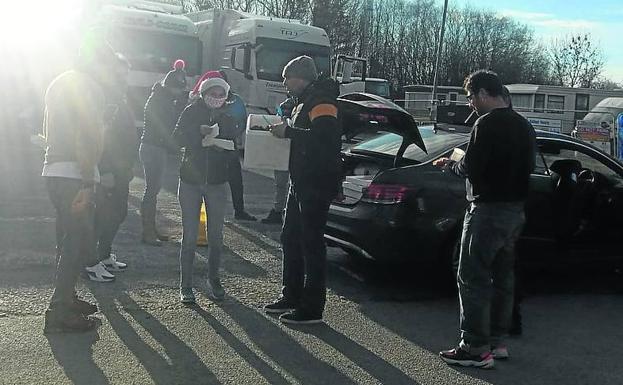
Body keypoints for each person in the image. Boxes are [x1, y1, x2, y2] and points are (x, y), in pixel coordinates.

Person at [434, 70, 536, 368]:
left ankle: (474, 347)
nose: (469, 105)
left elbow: (471, 168)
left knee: (472, 276)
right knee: (503, 277)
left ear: (481, 93)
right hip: (515, 210)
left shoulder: (486, 124)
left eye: (469, 98)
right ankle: (496, 340)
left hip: (487, 209)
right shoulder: (524, 126)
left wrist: (450, 165)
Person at [42, 34, 117, 333]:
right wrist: (88, 179)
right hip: (76, 173)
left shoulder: (58, 82)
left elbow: (49, 127)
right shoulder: (90, 87)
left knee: (66, 239)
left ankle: (68, 298)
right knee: (76, 243)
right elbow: (87, 134)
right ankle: (59, 309)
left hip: (54, 169)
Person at [263, 56, 341, 324]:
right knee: (290, 238)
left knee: (311, 244)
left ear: (301, 77)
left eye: (287, 77)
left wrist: (288, 133)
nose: (284, 83)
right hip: (301, 181)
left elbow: (326, 140)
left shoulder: (322, 102)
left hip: (316, 182)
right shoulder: (304, 102)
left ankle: (312, 307)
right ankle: (292, 294)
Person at [173, 73, 244, 303]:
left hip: (216, 182)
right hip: (190, 182)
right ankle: (186, 285)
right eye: (213, 94)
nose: (217, 98)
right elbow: (176, 138)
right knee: (190, 235)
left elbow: (234, 147)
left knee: (216, 235)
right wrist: (198, 133)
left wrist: (223, 149)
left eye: (221, 94)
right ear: (203, 94)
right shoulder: (191, 111)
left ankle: (214, 280)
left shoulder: (228, 117)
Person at [84, 54, 136, 282]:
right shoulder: (104, 98)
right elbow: (100, 136)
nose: (123, 78)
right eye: (118, 73)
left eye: (125, 74)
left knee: (119, 213)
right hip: (109, 170)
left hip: (122, 169)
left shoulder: (119, 98)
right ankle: (90, 262)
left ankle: (104, 255)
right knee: (102, 216)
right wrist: (104, 170)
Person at [140, 61, 186, 246]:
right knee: (151, 191)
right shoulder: (161, 101)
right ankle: (148, 231)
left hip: (153, 146)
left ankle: (151, 229)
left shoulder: (160, 97)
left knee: (153, 190)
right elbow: (166, 126)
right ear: (172, 87)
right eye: (179, 88)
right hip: (154, 147)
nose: (180, 92)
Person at [262, 96, 297, 225]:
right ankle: (280, 211)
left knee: (282, 184)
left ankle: (279, 211)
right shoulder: (291, 105)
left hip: (285, 150)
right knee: (283, 184)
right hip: (286, 149)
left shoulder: (288, 106)